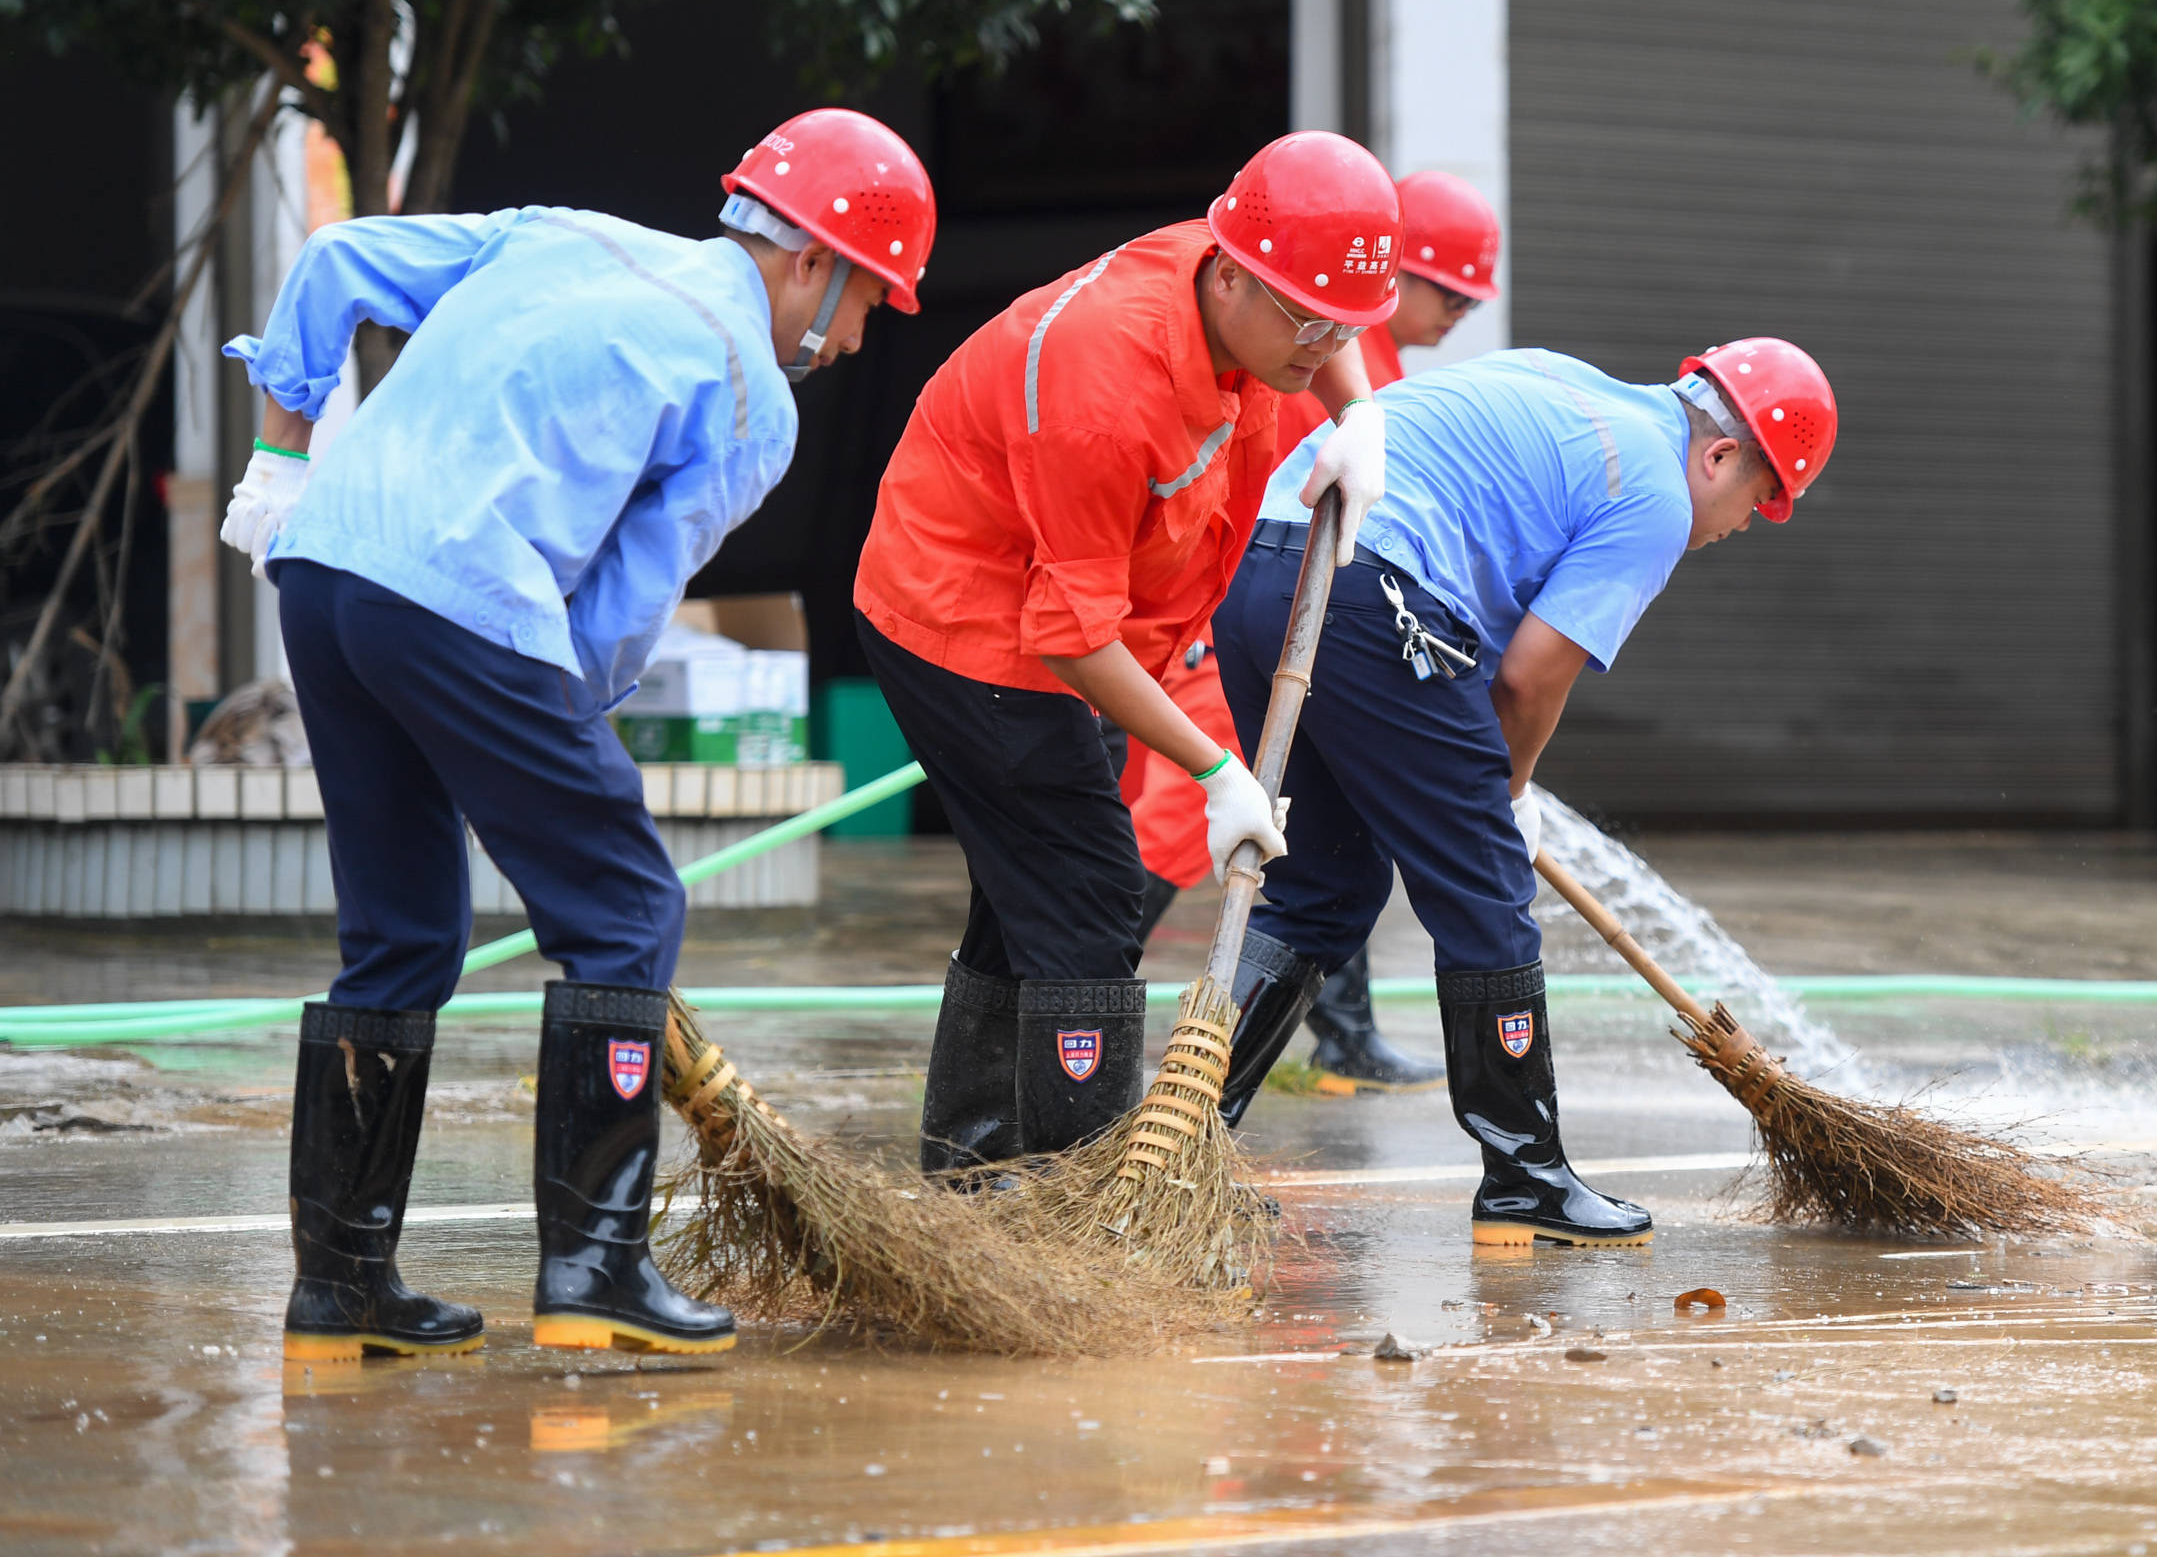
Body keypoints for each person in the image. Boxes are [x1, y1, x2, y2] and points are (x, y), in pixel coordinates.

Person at [220, 109, 933, 1360]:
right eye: (873, 301)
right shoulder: (750, 392)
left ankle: (338, 1289)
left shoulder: (561, 233)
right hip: (460, 599)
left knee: (400, 935)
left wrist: (281, 453)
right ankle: (595, 1272)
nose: (861, 336)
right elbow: (615, 618)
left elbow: (333, 259)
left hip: (322, 570)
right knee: (626, 909)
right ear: (813, 262)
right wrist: (557, 747)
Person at [852, 131, 1396, 1184]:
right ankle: (1079, 1193)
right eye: (1304, 320)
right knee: (1092, 891)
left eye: (1345, 326)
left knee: (1037, 885)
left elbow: (1320, 313)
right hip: (966, 616)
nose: (1321, 341)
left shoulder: (1257, 281)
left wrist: (1357, 408)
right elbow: (1069, 635)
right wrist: (1215, 768)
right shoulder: (1108, 386)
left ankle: (969, 1166)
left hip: (1074, 615)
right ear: (1230, 269)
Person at [1208, 338, 1837, 1246]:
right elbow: (1529, 679)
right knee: (1487, 895)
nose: (1744, 522)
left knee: (1324, 887)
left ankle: (1184, 1140)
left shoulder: (1564, 381)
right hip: (1374, 592)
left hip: (1269, 568)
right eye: (1758, 499)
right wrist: (1505, 793)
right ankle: (1525, 1177)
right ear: (1722, 455)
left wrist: (1486, 788)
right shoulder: (1657, 494)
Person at [1121, 170, 1501, 1091]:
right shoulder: (1308, 346)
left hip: (1301, 621)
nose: (1458, 312)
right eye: (1448, 289)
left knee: (1332, 822)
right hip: (1247, 612)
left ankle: (1343, 1032)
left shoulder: (1375, 378)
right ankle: (1081, 993)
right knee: (1180, 822)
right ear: (1396, 275)